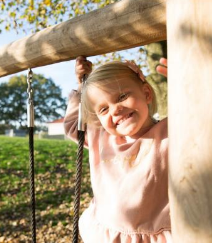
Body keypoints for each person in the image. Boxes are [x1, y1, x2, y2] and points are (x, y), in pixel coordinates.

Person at [64, 56, 171, 243]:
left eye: (122, 96)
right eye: (103, 109)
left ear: (146, 93)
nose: (115, 110)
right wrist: (81, 86)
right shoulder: (101, 137)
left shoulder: (168, 133)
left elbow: (206, 120)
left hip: (154, 235)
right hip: (106, 234)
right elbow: (74, 125)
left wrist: (190, 84)